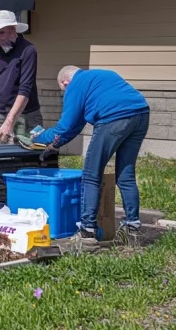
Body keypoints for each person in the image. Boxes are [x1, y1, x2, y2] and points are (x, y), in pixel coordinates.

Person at [32, 66, 150, 245]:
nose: (66, 93)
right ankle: (132, 228)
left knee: (91, 175)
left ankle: (87, 232)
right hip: (140, 113)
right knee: (126, 175)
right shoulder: (101, 75)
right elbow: (76, 125)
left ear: (65, 82)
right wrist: (56, 145)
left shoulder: (75, 85)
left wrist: (39, 138)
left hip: (113, 118)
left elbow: (64, 126)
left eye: (63, 90)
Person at [0, 10, 42, 211]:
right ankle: (0, 203)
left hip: (25, 113)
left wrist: (10, 122)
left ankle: (28, 204)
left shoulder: (28, 51)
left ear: (14, 31)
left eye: (2, 33)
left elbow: (25, 89)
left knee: (27, 158)